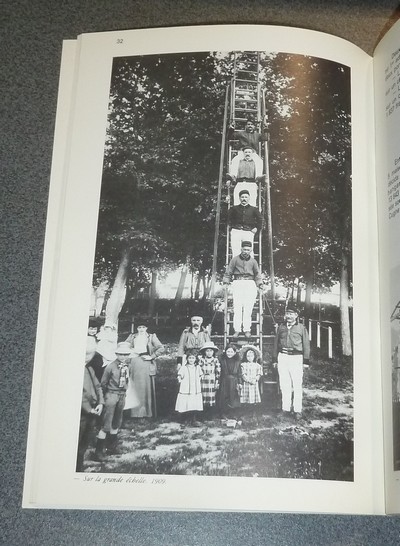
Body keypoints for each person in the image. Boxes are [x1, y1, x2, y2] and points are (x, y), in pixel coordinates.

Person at [94, 341, 132, 462]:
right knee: (107, 423)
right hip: (111, 395)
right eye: (121, 354)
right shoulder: (110, 367)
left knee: (117, 421)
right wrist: (104, 398)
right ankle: (98, 451)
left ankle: (112, 447)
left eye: (126, 355)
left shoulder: (127, 366)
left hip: (122, 395)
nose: (123, 357)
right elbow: (103, 384)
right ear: (116, 354)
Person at [272, 306, 310, 418]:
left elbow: (306, 345)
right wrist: (275, 359)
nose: (288, 316)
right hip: (283, 357)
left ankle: (297, 410)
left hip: (296, 358)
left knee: (297, 384)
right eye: (287, 313)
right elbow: (275, 343)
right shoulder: (281, 327)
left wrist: (306, 361)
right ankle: (285, 409)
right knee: (284, 384)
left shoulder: (301, 328)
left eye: (291, 314)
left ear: (296, 315)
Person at [223, 240, 263, 338]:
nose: (246, 251)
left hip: (250, 284)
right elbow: (229, 272)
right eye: (244, 249)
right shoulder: (235, 260)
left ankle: (246, 329)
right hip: (238, 283)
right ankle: (236, 329)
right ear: (241, 249)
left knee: (248, 308)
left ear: (251, 250)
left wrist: (260, 284)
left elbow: (257, 274)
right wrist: (226, 282)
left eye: (248, 250)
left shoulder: (253, 261)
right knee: (237, 307)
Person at [124, 321, 164, 418]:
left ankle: (146, 412)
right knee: (134, 386)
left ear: (146, 328)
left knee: (144, 387)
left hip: (145, 363)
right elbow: (124, 347)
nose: (141, 329)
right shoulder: (132, 336)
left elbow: (161, 348)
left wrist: (152, 356)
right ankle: (133, 413)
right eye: (139, 327)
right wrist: (130, 353)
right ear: (136, 328)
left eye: (143, 327)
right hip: (134, 363)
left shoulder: (151, 336)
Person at [76, 336, 104, 472]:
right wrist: (88, 409)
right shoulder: (74, 371)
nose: (87, 357)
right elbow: (78, 394)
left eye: (90, 355)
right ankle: (74, 466)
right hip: (82, 412)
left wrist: (101, 403)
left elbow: (98, 386)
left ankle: (79, 464)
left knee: (86, 440)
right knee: (77, 438)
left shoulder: (89, 369)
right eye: (85, 354)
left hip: (93, 410)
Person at [228, 189, 263, 258]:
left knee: (248, 250)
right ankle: (237, 268)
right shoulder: (234, 209)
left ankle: (249, 267)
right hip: (236, 231)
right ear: (239, 198)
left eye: (246, 197)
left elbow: (260, 220)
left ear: (249, 198)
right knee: (236, 250)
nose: (244, 199)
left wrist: (257, 228)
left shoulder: (254, 209)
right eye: (242, 197)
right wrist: (232, 227)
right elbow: (227, 218)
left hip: (248, 232)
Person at [175, 350, 203, 421]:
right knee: (185, 403)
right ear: (187, 359)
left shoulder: (198, 367)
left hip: (195, 389)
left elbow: (201, 375)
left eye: (193, 358)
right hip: (186, 388)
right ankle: (184, 419)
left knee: (194, 403)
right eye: (190, 358)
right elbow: (179, 375)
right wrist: (180, 380)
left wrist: (199, 380)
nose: (191, 360)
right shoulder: (184, 367)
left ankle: (193, 419)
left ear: (195, 359)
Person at [218, 344, 242, 418]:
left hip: (234, 381)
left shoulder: (237, 361)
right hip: (224, 380)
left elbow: (239, 373)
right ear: (225, 352)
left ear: (235, 353)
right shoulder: (222, 360)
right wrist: (219, 382)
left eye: (231, 352)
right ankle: (224, 414)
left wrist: (240, 382)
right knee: (224, 396)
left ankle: (232, 414)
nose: (229, 353)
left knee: (233, 397)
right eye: (228, 351)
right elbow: (220, 372)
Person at [198, 341, 221, 413]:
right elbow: (199, 370)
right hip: (204, 379)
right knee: (203, 395)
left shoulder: (215, 360)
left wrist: (217, 381)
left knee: (211, 395)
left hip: (212, 379)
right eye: (207, 351)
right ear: (204, 352)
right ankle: (203, 413)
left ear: (213, 352)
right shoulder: (202, 360)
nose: (209, 353)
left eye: (211, 351)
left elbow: (218, 371)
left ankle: (210, 414)